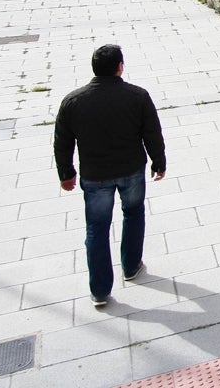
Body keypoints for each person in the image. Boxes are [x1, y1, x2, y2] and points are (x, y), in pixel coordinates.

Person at [54, 45, 166, 307]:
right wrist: (158, 162)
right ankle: (131, 265)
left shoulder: (73, 101)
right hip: (131, 171)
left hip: (96, 177)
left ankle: (101, 290)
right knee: (134, 213)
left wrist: (66, 173)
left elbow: (62, 141)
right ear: (120, 66)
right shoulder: (138, 96)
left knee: (97, 228)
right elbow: (152, 133)